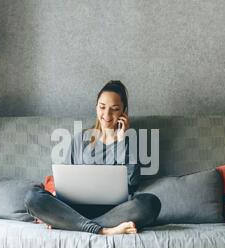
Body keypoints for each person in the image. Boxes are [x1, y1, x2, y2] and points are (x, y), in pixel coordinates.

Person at [24, 80, 161, 235]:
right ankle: (104, 230)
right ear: (96, 106)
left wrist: (122, 141)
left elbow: (133, 183)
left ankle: (70, 224)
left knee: (151, 203)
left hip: (113, 211)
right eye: (102, 107)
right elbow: (65, 181)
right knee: (32, 197)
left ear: (123, 112)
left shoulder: (128, 142)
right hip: (75, 208)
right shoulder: (80, 139)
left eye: (114, 109)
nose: (107, 115)